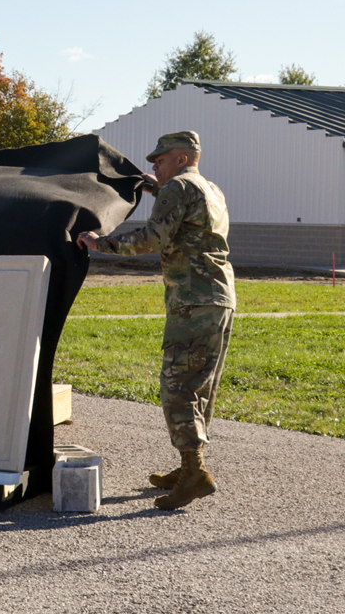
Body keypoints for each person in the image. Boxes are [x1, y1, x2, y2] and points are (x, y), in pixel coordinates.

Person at [76, 131, 235, 510]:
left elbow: (154, 237)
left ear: (181, 159)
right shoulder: (209, 188)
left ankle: (194, 473)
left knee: (177, 387)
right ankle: (188, 467)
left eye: (160, 160)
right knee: (198, 386)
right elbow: (188, 223)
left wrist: (102, 243)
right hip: (218, 299)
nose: (154, 165)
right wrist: (154, 188)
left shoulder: (178, 187)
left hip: (192, 302)